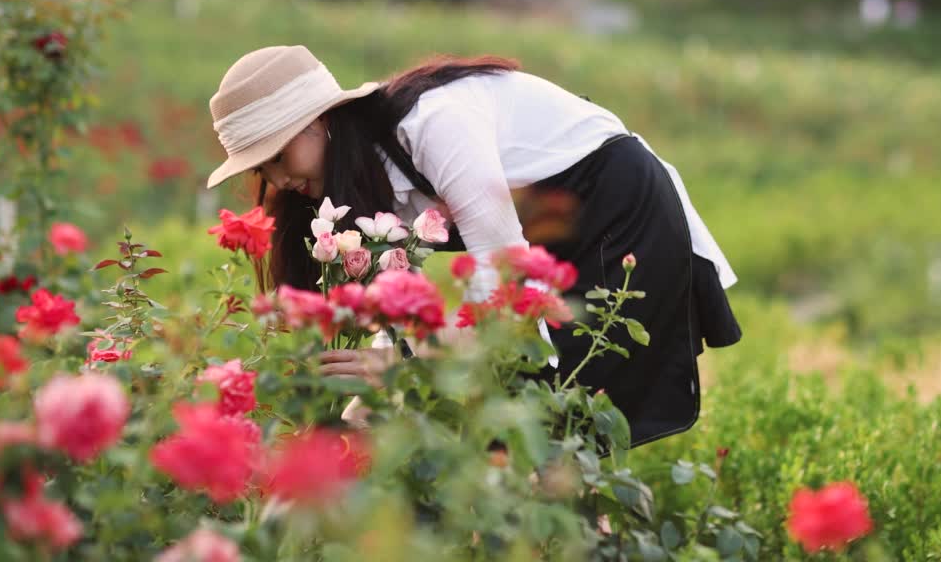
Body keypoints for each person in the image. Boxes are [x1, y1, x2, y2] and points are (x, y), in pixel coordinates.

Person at [204, 45, 741, 447]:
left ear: (317, 121)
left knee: (556, 422)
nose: (278, 179)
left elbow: (502, 267)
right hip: (549, 236)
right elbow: (397, 313)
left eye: (278, 155)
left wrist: (409, 365)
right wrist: (358, 408)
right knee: (525, 424)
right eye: (262, 167)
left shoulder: (433, 124)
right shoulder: (361, 178)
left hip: (615, 215)